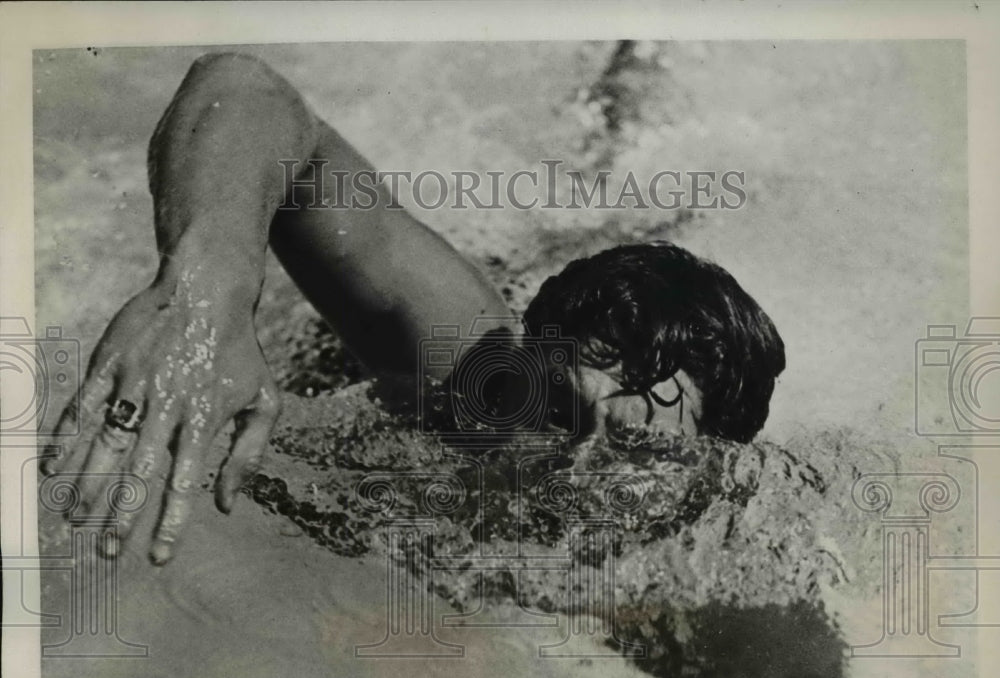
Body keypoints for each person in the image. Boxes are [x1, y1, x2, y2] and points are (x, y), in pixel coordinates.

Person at [41, 52, 784, 565]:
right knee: (592, 195)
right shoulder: (466, 371)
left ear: (715, 463)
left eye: (636, 448)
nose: (571, 466)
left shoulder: (724, 548)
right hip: (379, 336)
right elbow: (239, 86)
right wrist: (206, 296)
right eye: (555, 410)